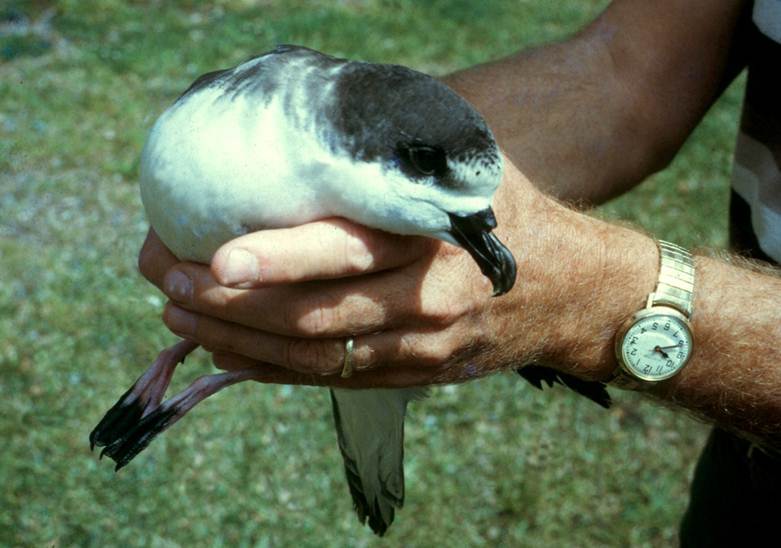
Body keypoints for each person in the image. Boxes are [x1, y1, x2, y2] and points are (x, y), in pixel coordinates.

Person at [137, 0, 780, 544]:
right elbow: (625, 70)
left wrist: (607, 304)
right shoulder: (266, 121)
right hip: (741, 477)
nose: (492, 240)